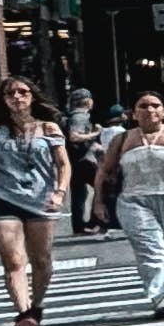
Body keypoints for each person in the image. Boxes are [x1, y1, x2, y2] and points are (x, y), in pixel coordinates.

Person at [0, 76, 69, 326]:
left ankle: (36, 306)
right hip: (3, 199)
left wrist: (59, 192)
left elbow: (64, 164)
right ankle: (23, 313)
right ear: (4, 99)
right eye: (11, 93)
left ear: (32, 96)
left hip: (41, 200)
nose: (17, 97)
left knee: (41, 260)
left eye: (23, 92)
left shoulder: (49, 127)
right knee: (13, 260)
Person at [95, 89, 164, 319]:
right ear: (133, 113)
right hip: (134, 201)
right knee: (152, 250)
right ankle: (161, 297)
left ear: (163, 111)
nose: (150, 110)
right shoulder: (122, 139)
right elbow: (104, 171)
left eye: (155, 105)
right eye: (143, 106)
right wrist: (98, 202)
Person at [61, 85, 100, 235]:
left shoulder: (71, 116)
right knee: (103, 187)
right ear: (87, 101)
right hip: (85, 161)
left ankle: (79, 226)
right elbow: (74, 136)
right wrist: (94, 134)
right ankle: (95, 222)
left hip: (73, 161)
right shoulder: (80, 116)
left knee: (78, 194)